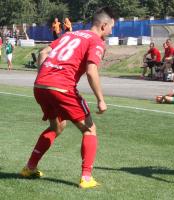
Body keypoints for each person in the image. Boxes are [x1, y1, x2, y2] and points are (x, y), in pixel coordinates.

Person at [20, 7, 115, 189]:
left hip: (40, 85)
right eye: (111, 27)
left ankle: (29, 167)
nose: (111, 31)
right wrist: (101, 99)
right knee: (89, 129)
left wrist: (44, 77)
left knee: (57, 126)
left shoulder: (71, 34)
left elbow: (42, 53)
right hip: (62, 87)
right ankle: (86, 178)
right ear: (103, 26)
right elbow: (91, 70)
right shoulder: (96, 41)